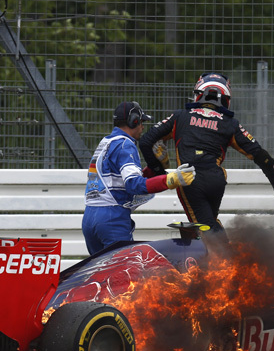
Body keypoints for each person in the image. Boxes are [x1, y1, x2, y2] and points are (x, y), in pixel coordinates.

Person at [139, 73, 274, 234]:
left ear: (198, 93)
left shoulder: (180, 116)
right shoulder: (231, 124)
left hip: (189, 180)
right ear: (225, 98)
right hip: (216, 181)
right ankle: (233, 257)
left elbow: (145, 141)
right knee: (210, 225)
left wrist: (158, 171)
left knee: (207, 231)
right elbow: (263, 157)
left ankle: (229, 258)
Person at [82, 101, 196, 254]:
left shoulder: (106, 142)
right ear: (133, 121)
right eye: (141, 122)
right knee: (121, 274)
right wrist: (171, 180)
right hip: (112, 219)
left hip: (90, 218)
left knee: (100, 274)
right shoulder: (125, 144)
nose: (143, 127)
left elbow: (121, 180)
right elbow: (133, 185)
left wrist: (153, 169)